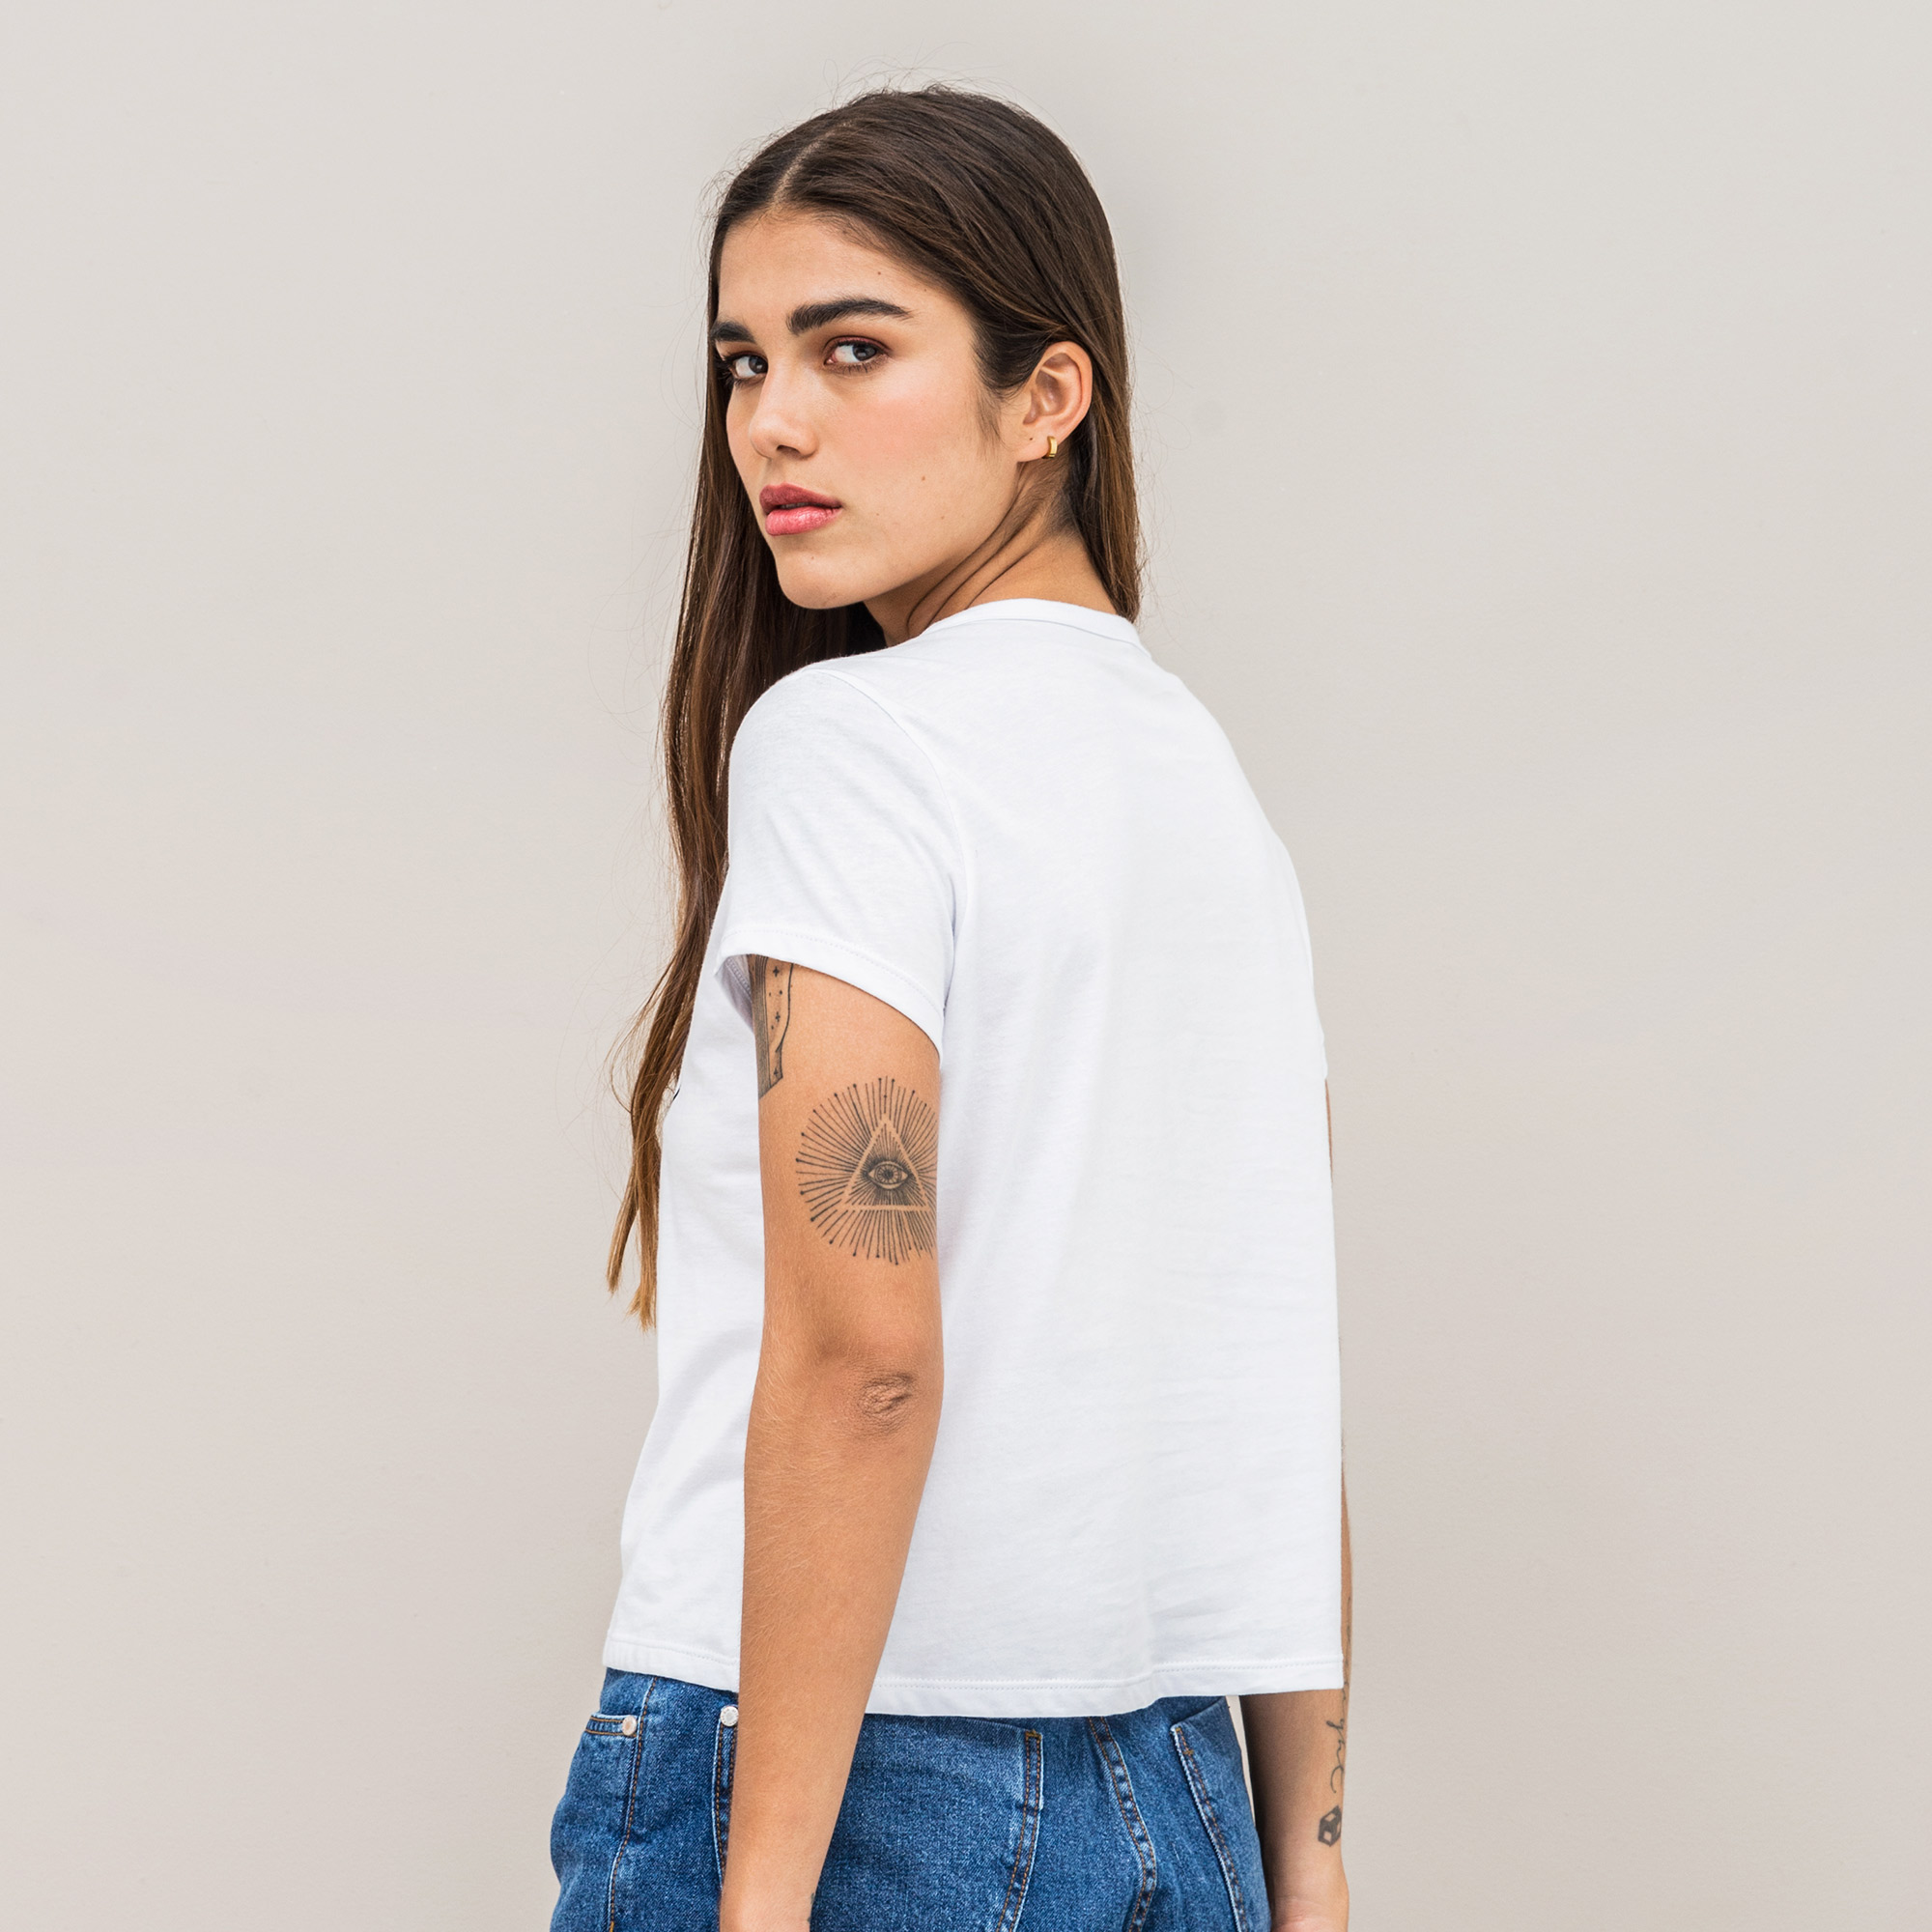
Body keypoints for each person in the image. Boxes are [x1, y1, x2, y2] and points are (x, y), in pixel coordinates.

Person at [550, 85, 1351, 1932]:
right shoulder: (1203, 788)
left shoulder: (853, 744)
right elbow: (1276, 1374)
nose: (774, 421)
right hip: (1183, 1794)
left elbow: (867, 1359)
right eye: (745, 362)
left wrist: (760, 1898)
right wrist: (1312, 1871)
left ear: (1047, 397)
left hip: (851, 1789)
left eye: (855, 349)